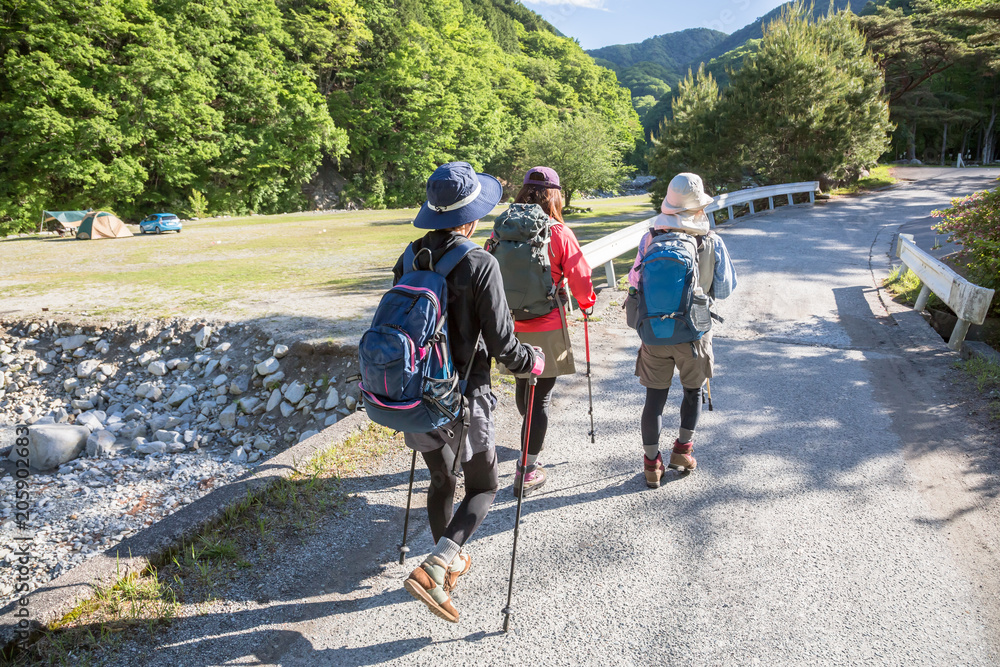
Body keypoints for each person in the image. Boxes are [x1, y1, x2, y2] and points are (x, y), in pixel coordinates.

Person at [394, 162, 544, 623]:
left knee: (442, 479)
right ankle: (437, 568)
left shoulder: (409, 257)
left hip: (414, 391)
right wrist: (531, 361)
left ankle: (445, 566)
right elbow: (502, 344)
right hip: (463, 393)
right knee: (485, 486)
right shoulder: (480, 262)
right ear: (471, 216)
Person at [628, 173, 737, 488]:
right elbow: (727, 289)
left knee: (654, 399)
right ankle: (683, 452)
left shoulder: (651, 238)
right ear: (698, 207)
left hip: (655, 333)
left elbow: (635, 284)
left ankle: (651, 464)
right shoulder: (710, 241)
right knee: (693, 392)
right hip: (695, 334)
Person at [494, 166, 596, 497]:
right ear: (554, 195)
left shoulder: (501, 229)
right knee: (541, 397)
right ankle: (526, 470)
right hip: (546, 326)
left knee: (525, 385)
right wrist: (587, 303)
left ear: (523, 191)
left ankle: (527, 445)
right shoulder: (558, 232)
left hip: (508, 326)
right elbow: (580, 276)